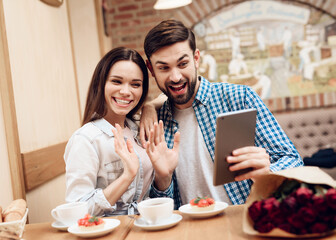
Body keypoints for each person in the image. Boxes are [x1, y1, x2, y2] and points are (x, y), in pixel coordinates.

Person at [140, 20, 303, 209]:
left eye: (183, 63)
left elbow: (293, 161)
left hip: (243, 221)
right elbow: (162, 203)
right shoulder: (156, 122)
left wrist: (268, 172)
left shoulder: (239, 98)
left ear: (196, 58)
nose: (175, 77)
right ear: (151, 69)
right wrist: (163, 179)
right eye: (164, 68)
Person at [64, 47, 179, 216]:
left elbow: (164, 98)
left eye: (135, 84)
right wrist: (127, 176)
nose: (126, 91)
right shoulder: (86, 139)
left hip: (145, 227)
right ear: (100, 83)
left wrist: (164, 176)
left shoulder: (138, 129)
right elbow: (78, 212)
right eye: (117, 81)